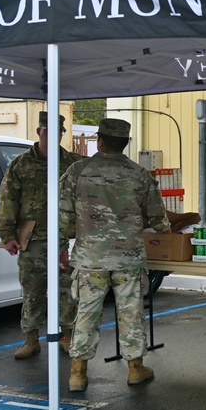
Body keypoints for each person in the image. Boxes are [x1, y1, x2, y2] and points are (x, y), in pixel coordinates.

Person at [59, 118, 170, 392]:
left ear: (100, 140)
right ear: (126, 143)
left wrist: (61, 245)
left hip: (90, 257)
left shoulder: (77, 171)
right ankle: (135, 369)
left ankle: (78, 373)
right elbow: (158, 218)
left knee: (86, 313)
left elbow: (62, 214)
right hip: (128, 258)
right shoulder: (139, 174)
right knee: (131, 313)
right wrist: (164, 229)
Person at [0, 111, 83, 360]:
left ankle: (67, 335)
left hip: (66, 237)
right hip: (33, 239)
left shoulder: (73, 164)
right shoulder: (21, 164)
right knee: (32, 291)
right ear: (39, 132)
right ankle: (31, 338)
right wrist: (7, 235)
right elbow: (8, 200)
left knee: (67, 290)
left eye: (58, 132)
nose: (52, 136)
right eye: (47, 131)